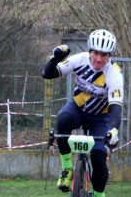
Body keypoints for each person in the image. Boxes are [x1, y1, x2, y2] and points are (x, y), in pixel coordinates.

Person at [42, 29, 123, 197]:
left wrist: (113, 129)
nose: (99, 59)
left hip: (102, 117)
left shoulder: (114, 73)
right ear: (89, 51)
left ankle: (99, 195)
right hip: (78, 108)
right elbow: (47, 74)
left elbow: (116, 107)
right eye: (95, 53)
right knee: (63, 120)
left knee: (98, 159)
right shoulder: (79, 60)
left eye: (104, 55)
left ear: (109, 56)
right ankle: (67, 169)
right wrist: (55, 59)